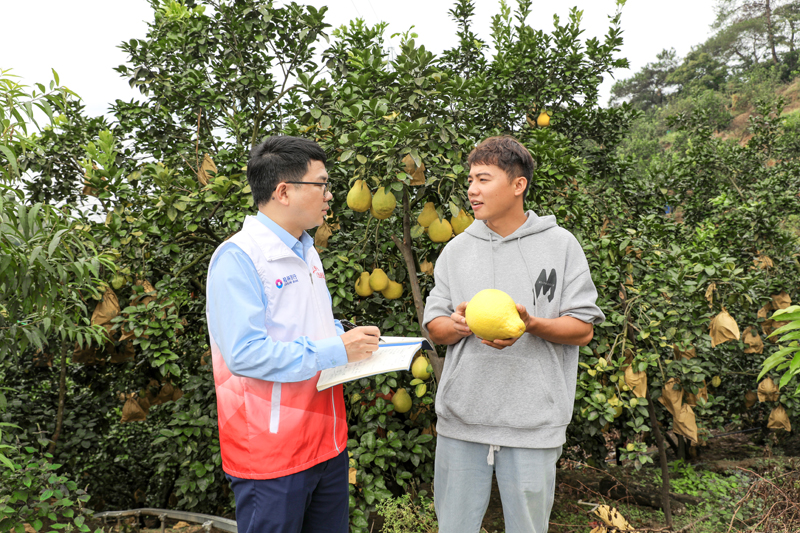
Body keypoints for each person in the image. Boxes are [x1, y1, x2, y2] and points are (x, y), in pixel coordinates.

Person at [423, 135, 605, 533]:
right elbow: (434, 326)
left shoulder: (560, 245)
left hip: (533, 425)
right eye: (470, 180)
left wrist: (532, 325)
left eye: (483, 179)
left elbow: (583, 329)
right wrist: (454, 327)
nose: (472, 190)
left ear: (518, 184)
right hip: (462, 421)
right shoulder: (455, 250)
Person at [205, 135, 380, 533]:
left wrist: (349, 339)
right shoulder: (239, 258)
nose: (330, 195)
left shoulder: (307, 251)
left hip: (326, 444)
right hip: (272, 455)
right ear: (284, 191)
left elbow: (304, 326)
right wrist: (335, 349)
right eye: (322, 184)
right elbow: (245, 353)